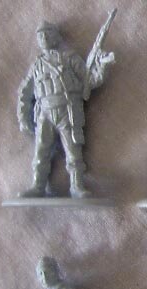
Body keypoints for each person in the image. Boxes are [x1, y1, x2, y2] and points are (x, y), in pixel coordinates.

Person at [17, 21, 114, 198]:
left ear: (55, 37)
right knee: (41, 152)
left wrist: (103, 66)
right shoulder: (37, 66)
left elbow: (89, 81)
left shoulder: (70, 59)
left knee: (73, 151)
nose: (44, 38)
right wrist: (23, 118)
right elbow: (25, 92)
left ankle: (77, 186)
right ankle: (38, 186)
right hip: (44, 113)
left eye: (47, 34)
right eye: (40, 35)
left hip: (68, 111)